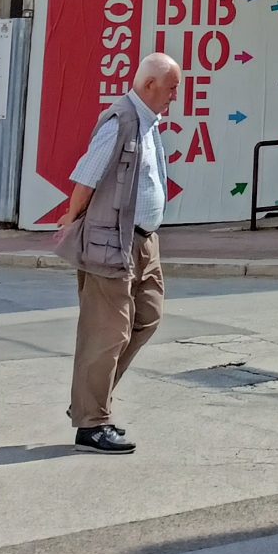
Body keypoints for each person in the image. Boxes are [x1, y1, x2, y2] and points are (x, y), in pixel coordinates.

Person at [56, 50, 181, 452]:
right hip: (112, 241)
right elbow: (86, 179)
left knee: (149, 316)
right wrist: (70, 220)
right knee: (107, 333)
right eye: (171, 88)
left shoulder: (148, 124)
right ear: (149, 86)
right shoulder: (121, 122)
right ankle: (91, 422)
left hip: (144, 241)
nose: (174, 97)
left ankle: (91, 401)